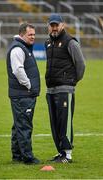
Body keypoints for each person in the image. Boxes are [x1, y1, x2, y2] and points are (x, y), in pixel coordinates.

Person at [45, 14, 85, 163]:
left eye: (57, 25)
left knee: (64, 121)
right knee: (55, 122)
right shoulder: (47, 42)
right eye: (52, 25)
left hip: (65, 89)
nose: (54, 28)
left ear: (63, 25)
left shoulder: (70, 42)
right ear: (48, 26)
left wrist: (72, 81)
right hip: (50, 90)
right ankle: (60, 152)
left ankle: (67, 154)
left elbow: (81, 64)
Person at [6, 23, 40, 165]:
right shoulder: (18, 49)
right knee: (24, 126)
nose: (33, 37)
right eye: (29, 34)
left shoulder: (23, 47)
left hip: (23, 94)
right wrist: (29, 85)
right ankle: (27, 157)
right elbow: (18, 70)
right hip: (22, 95)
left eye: (33, 34)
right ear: (21, 35)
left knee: (19, 125)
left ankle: (17, 155)